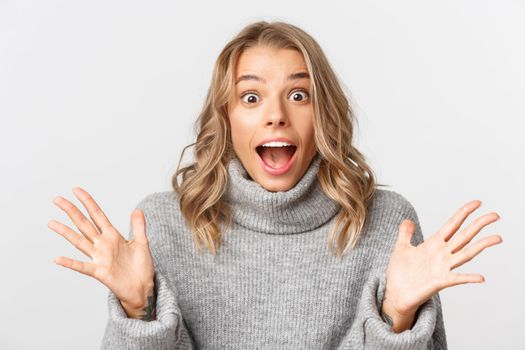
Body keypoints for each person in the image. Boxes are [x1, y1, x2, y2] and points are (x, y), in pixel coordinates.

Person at [49, 20, 503, 349]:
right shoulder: (162, 226)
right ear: (225, 119)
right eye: (250, 97)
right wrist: (138, 310)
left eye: (299, 94)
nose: (275, 113)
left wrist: (395, 319)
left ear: (322, 114)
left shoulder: (388, 225)